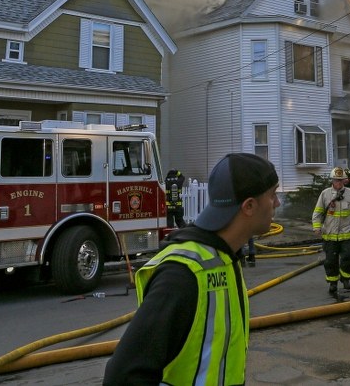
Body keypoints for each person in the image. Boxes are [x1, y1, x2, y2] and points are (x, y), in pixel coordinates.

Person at [103, 152, 279, 386]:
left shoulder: (225, 257)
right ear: (249, 206)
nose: (277, 203)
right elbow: (122, 377)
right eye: (273, 195)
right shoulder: (182, 275)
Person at [312, 166, 350, 295]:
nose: (339, 183)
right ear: (332, 181)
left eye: (341, 180)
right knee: (330, 262)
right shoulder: (325, 194)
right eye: (336, 180)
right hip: (330, 235)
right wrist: (317, 226)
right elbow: (317, 212)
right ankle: (333, 283)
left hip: (348, 234)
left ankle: (345, 279)